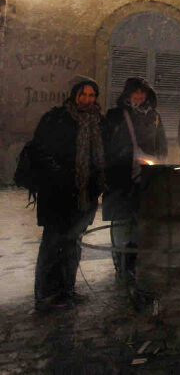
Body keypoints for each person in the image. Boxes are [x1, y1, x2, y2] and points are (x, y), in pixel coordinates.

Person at [31, 77, 106, 312]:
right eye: (82, 95)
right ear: (74, 95)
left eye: (91, 95)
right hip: (58, 193)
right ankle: (45, 294)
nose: (87, 99)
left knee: (73, 243)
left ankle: (67, 289)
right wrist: (57, 174)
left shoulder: (98, 122)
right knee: (53, 243)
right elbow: (40, 150)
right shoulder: (57, 119)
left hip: (85, 195)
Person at [103, 77, 167, 282]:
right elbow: (106, 145)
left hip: (147, 179)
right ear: (127, 94)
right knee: (122, 224)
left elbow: (162, 146)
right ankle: (122, 266)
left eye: (143, 92)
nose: (139, 96)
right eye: (136, 92)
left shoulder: (154, 117)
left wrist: (157, 164)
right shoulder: (115, 116)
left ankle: (139, 263)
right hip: (121, 177)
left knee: (143, 224)